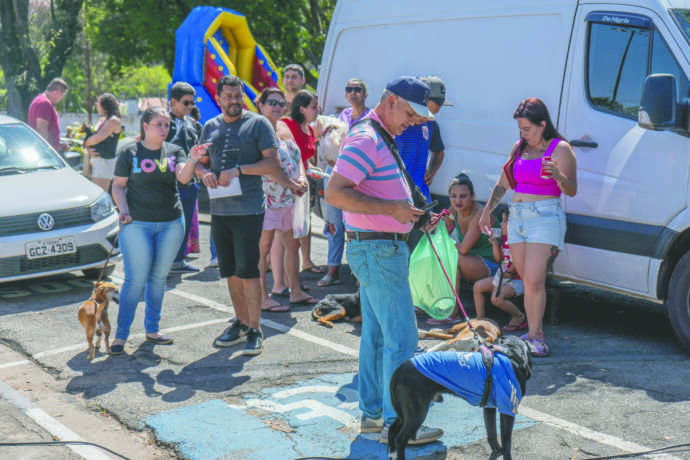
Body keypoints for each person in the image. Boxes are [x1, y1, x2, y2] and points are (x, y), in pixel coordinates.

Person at [326, 76, 442, 444]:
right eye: (409, 112)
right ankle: (399, 424)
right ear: (390, 101)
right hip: (378, 250)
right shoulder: (366, 137)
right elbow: (335, 193)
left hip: (377, 248)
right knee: (401, 339)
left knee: (377, 338)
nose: (412, 121)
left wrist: (406, 213)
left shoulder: (377, 135)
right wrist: (392, 208)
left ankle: (375, 417)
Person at [479, 97, 577, 357]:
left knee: (534, 281)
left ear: (542, 124)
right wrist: (487, 210)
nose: (523, 134)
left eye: (527, 129)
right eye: (520, 129)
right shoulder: (518, 148)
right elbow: (504, 183)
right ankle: (530, 332)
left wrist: (558, 175)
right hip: (518, 217)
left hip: (544, 216)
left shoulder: (560, 149)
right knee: (524, 278)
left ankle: (538, 335)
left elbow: (572, 189)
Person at [198, 75, 282, 356]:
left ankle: (256, 329)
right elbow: (199, 163)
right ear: (219, 98)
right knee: (230, 271)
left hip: (248, 209)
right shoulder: (209, 126)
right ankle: (241, 321)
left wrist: (240, 170)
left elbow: (273, 163)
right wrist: (205, 174)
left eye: (238, 96)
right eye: (229, 97)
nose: (234, 101)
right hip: (219, 210)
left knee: (248, 271)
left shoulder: (257, 124)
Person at [110, 107, 203, 355]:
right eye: (159, 124)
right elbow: (118, 187)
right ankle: (121, 335)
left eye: (167, 124)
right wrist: (124, 209)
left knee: (158, 278)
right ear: (145, 126)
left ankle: (152, 329)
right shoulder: (129, 152)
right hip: (136, 224)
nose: (165, 129)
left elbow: (183, 178)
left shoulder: (174, 151)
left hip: (171, 222)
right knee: (135, 280)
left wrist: (193, 159)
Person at [255, 88, 315, 311]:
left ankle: (295, 291)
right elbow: (269, 168)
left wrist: (301, 177)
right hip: (267, 200)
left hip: (288, 199)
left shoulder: (284, 127)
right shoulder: (257, 130)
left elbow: (296, 157)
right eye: (271, 102)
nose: (277, 106)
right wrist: (293, 184)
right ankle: (262, 297)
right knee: (263, 250)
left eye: (281, 103)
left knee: (293, 244)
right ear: (261, 106)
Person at [317, 78, 372, 287]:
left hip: (357, 177)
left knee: (355, 227)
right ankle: (332, 271)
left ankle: (357, 273)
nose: (353, 93)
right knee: (334, 225)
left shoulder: (371, 117)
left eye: (357, 89)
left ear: (365, 94)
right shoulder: (343, 116)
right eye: (349, 89)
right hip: (335, 172)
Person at [429, 173, 500, 325]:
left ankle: (453, 312)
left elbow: (463, 250)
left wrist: (443, 241)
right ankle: (432, 304)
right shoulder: (454, 210)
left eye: (463, 196)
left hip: (493, 266)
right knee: (436, 253)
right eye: (453, 196)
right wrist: (435, 225)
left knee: (453, 256)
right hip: (472, 262)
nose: (457, 200)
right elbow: (443, 233)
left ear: (472, 196)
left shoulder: (479, 213)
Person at [395, 76, 450, 250]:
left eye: (434, 114)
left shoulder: (432, 125)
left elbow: (439, 152)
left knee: (419, 256)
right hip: (395, 199)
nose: (429, 117)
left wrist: (431, 173)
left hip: (421, 201)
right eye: (427, 112)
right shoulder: (397, 123)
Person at [282, 89, 324, 274]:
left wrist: (313, 170)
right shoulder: (286, 125)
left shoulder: (309, 129)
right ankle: (274, 264)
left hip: (305, 183)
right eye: (313, 107)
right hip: (288, 183)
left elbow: (305, 158)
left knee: (304, 222)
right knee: (285, 227)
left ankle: (306, 261)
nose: (318, 110)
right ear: (301, 108)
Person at [164, 82, 202, 274]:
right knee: (168, 226)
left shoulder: (192, 124)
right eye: (186, 103)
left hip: (191, 183)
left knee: (184, 225)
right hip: (170, 184)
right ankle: (162, 264)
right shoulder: (164, 123)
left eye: (192, 104)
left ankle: (178, 261)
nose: (189, 107)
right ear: (173, 101)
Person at [473, 205, 527, 332]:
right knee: (478, 287)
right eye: (502, 220)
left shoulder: (519, 242)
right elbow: (499, 259)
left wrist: (511, 271)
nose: (502, 224)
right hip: (503, 277)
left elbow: (519, 261)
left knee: (496, 298)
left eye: (505, 221)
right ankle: (480, 319)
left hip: (517, 280)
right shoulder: (505, 240)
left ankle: (519, 317)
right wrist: (495, 245)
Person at [84, 93, 122, 192]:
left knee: (100, 193)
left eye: (98, 103)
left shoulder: (114, 121)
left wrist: (86, 144)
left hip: (105, 162)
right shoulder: (103, 120)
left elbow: (97, 138)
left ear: (105, 105)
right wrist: (89, 149)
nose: (96, 105)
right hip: (97, 161)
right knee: (95, 192)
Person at [27, 78, 68, 152]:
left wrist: (59, 145)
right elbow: (41, 131)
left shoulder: (40, 100)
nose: (62, 98)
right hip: (45, 154)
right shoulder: (45, 103)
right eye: (63, 95)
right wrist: (47, 152)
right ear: (57, 92)